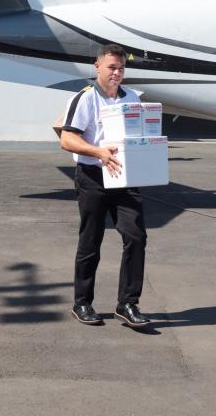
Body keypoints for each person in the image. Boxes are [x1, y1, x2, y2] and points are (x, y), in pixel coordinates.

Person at [59, 44, 150, 328]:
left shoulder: (132, 97)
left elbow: (139, 134)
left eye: (121, 68)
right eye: (112, 67)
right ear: (97, 67)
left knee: (136, 236)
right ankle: (82, 303)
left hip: (123, 177)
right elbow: (67, 139)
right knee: (91, 240)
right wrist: (98, 152)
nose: (117, 73)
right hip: (92, 176)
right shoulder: (85, 98)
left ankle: (127, 304)